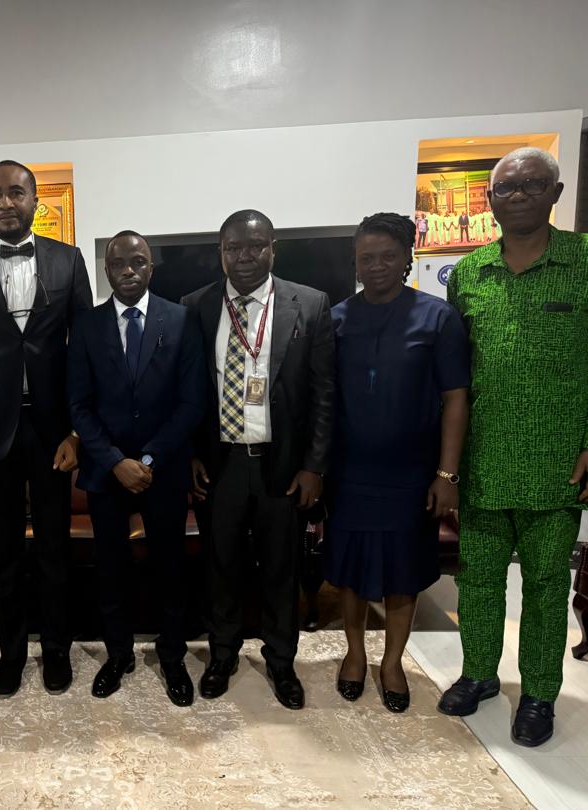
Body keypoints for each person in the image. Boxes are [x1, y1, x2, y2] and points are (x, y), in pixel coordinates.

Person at [439, 147, 588, 747]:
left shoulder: (583, 261)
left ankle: (540, 693)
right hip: (482, 460)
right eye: (506, 187)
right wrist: (449, 466)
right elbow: (454, 376)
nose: (519, 194)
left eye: (532, 183)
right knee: (477, 579)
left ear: (556, 194)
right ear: (490, 200)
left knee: (548, 584)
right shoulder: (469, 272)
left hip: (559, 462)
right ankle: (479, 674)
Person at [0, 160, 93, 698]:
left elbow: (85, 351)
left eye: (16, 193)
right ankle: (11, 653)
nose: (5, 203)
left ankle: (56, 650)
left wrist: (77, 432)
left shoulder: (69, 260)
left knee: (54, 547)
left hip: (53, 429)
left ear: (35, 201)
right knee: (2, 550)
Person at [184, 210, 334, 710]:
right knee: (220, 567)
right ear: (220, 252)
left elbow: (324, 393)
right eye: (233, 248)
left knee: (280, 569)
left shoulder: (309, 304)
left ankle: (281, 661)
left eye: (255, 246)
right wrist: (191, 454)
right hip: (220, 463)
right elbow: (188, 391)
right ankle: (222, 655)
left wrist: (313, 466)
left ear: (273, 248)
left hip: (283, 465)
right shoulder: (196, 306)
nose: (244, 257)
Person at [326, 213, 469, 713]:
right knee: (350, 571)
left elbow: (455, 397)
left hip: (411, 474)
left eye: (388, 256)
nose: (377, 265)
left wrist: (446, 474)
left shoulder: (437, 318)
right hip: (349, 473)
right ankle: (354, 655)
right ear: (355, 262)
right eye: (366, 258)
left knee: (403, 572)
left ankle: (392, 663)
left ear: (408, 258)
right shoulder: (336, 319)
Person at [67, 230, 206, 705]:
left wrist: (146, 460)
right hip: (105, 471)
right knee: (111, 570)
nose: (128, 270)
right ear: (106, 270)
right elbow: (79, 405)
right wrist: (115, 461)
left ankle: (172, 656)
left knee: (170, 568)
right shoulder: (86, 325)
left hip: (161, 469)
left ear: (151, 267)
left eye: (138, 262)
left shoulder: (181, 319)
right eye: (118, 263)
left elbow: (191, 402)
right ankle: (118, 654)